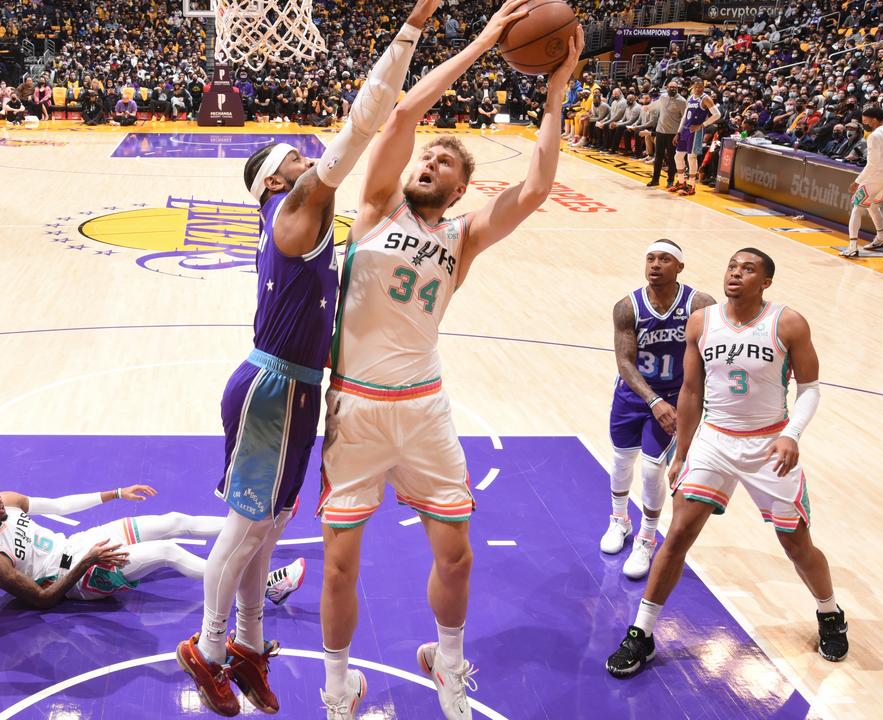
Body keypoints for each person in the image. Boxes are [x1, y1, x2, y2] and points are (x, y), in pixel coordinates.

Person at [175, 0, 441, 716]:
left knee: (270, 524)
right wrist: (410, 32)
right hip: (273, 388)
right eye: (294, 157)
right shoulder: (294, 211)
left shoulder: (301, 220)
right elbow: (361, 126)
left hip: (291, 389)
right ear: (272, 182)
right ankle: (207, 643)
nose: (308, 156)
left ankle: (250, 652)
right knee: (248, 525)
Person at [318, 7, 583, 719]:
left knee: (458, 554)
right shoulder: (376, 207)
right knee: (341, 564)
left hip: (425, 407)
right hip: (355, 408)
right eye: (426, 157)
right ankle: (338, 686)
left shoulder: (463, 237)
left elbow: (533, 190)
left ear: (462, 188)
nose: (429, 163)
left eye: (445, 163)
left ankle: (449, 660)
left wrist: (555, 99)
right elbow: (404, 108)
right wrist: (488, 41)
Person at [606, 248, 847, 679]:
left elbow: (810, 388)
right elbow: (692, 392)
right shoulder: (702, 322)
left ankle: (829, 612)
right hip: (715, 440)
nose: (736, 273)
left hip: (768, 443)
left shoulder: (787, 322)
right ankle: (641, 633)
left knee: (796, 544)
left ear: (765, 282)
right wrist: (682, 451)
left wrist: (792, 434)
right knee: (677, 533)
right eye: (732, 266)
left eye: (748, 269)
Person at [0, 481, 305, 608]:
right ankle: (265, 589)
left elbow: (61, 505)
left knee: (173, 521)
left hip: (80, 544)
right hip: (75, 577)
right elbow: (43, 599)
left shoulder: (9, 502)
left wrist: (115, 494)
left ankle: (264, 526)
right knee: (169, 552)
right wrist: (88, 561)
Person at [602, 241, 715, 580]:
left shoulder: (699, 304)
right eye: (650, 258)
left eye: (665, 259)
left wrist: (694, 401)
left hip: (674, 396)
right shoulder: (627, 306)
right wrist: (653, 401)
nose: (655, 265)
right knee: (622, 460)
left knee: (652, 470)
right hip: (636, 395)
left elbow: (713, 355)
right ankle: (619, 520)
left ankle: (647, 538)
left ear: (679, 267)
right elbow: (625, 361)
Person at [841, 104, 883, 258]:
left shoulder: (874, 136)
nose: (865, 124)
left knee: (857, 207)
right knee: (873, 205)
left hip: (875, 177)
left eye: (866, 120)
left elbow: (872, 164)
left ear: (874, 120)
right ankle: (881, 238)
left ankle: (852, 246)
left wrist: (857, 181)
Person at [669, 78, 720, 196]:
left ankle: (692, 186)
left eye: (700, 87)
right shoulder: (691, 97)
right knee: (678, 156)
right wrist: (678, 131)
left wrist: (702, 125)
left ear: (703, 87)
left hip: (696, 132)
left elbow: (717, 114)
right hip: (685, 130)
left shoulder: (706, 98)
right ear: (693, 87)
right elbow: (685, 116)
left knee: (691, 157)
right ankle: (681, 182)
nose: (698, 89)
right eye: (696, 87)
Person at [647, 81, 685, 188]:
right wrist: (647, 107)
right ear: (667, 88)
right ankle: (655, 180)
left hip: (672, 134)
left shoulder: (682, 101)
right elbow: (656, 104)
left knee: (671, 158)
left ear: (677, 88)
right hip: (660, 132)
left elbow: (684, 118)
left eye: (674, 87)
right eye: (670, 87)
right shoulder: (663, 97)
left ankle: (670, 180)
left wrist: (679, 133)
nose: (672, 89)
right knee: (658, 157)